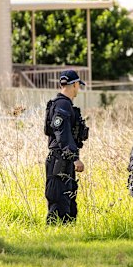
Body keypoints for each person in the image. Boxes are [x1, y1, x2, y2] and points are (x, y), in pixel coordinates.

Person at [44, 69, 89, 224]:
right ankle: (54, 239)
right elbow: (61, 133)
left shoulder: (63, 104)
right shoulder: (62, 104)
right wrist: (74, 158)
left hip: (63, 160)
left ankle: (67, 237)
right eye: (78, 85)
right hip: (60, 160)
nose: (78, 88)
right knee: (59, 202)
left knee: (68, 201)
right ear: (74, 84)